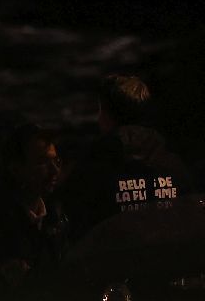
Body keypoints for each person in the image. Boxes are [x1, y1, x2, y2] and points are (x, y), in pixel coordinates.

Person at [60, 74, 196, 237]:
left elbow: (75, 223)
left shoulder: (91, 168)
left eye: (100, 110)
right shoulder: (176, 165)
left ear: (107, 115)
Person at [0, 123, 68, 287]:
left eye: (56, 160)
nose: (55, 170)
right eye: (42, 162)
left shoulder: (55, 210)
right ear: (16, 169)